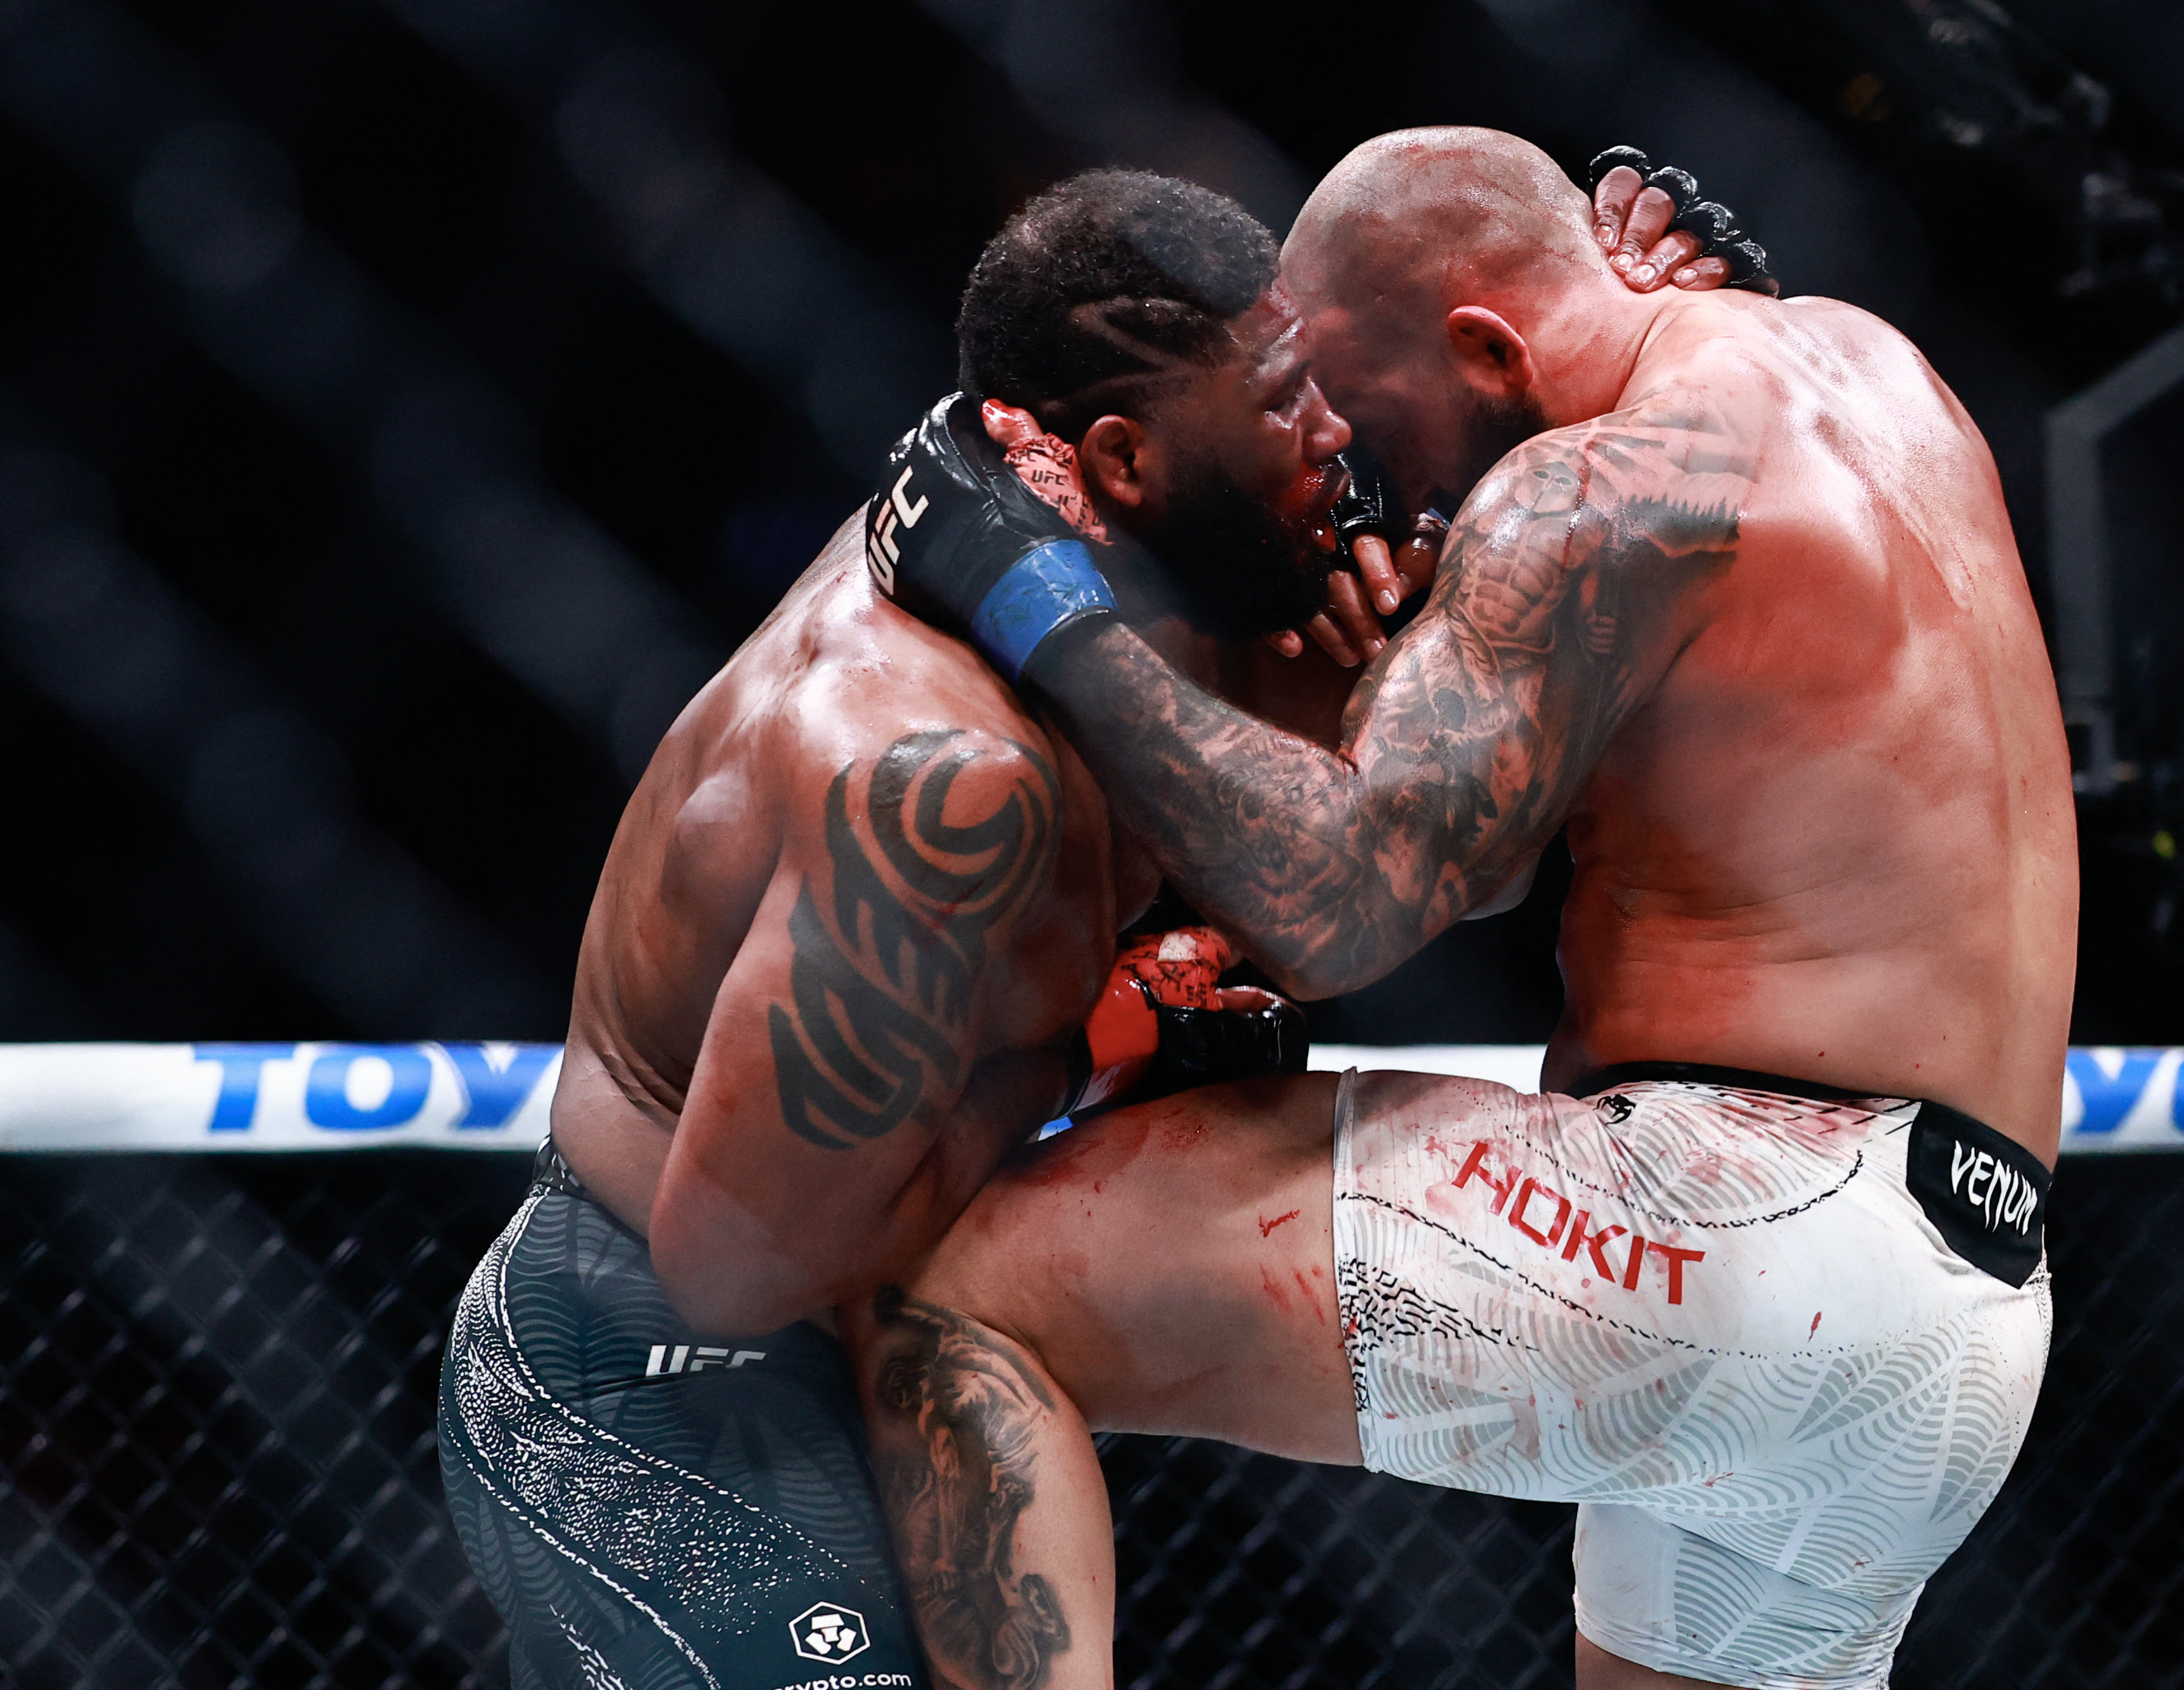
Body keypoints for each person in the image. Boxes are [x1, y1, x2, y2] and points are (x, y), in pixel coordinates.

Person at [435, 156, 1710, 1690]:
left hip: (908, 1356)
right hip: (668, 1379)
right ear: (1121, 460)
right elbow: (737, 1266)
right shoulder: (930, 777)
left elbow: (1446, 863)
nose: (1335, 438)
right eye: (1288, 404)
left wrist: (1635, 335)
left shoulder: (1198, 565)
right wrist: (1103, 1038)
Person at [863, 126, 2077, 1690]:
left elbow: (1341, 911)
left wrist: (1037, 603)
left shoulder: (1578, 497)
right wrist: (1415, 655)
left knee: (961, 1297)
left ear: (1489, 350)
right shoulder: (1872, 365)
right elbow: (1488, 851)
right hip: (1968, 1317)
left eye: (1373, 428)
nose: (1367, 484)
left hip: (1728, 1234)